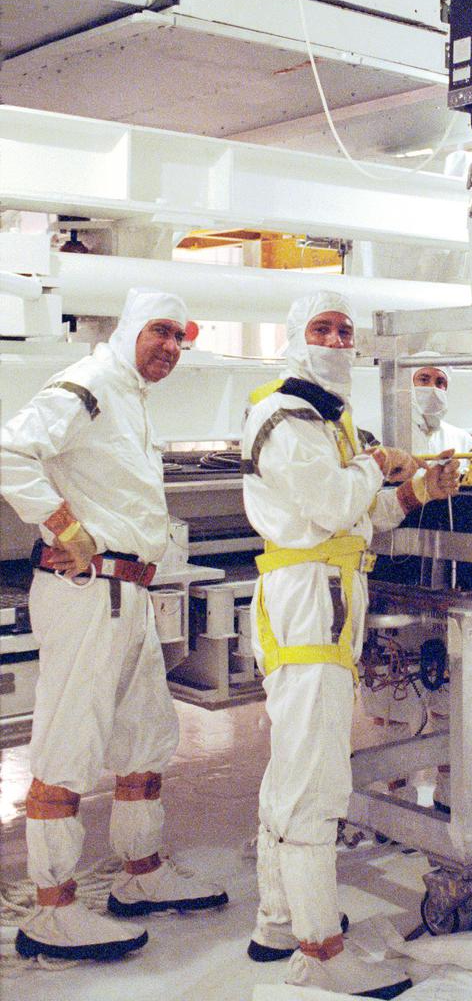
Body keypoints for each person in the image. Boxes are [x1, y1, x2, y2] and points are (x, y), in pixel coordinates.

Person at [0, 289, 227, 963]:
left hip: (127, 594)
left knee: (145, 736)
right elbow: (10, 451)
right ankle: (53, 910)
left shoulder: (129, 397)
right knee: (70, 744)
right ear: (130, 330)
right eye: (160, 332)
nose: (171, 348)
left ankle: (141, 874)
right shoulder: (90, 385)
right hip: (88, 591)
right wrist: (62, 524)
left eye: (180, 337)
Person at [242, 291, 458, 998]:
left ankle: (280, 920)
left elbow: (359, 514)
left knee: (293, 768)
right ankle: (321, 953)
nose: (336, 340)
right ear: (293, 338)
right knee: (315, 780)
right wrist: (382, 461)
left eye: (344, 330)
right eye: (321, 329)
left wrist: (416, 490)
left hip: (324, 595)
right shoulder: (283, 415)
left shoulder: (326, 417)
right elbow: (336, 501)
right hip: (307, 603)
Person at [361, 359, 472, 812]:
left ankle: (450, 796)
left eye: (441, 381)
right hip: (394, 578)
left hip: (448, 577)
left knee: (451, 694)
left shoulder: (462, 441)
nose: (433, 388)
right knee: (393, 694)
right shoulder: (381, 438)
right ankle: (398, 799)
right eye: (423, 379)